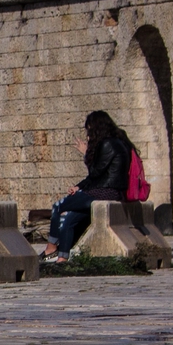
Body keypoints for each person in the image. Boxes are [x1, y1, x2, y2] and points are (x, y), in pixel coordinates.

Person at [44, 110, 132, 263]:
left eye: (89, 130)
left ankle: (50, 248)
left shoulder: (107, 144)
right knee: (69, 219)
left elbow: (95, 172)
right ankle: (62, 259)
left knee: (57, 206)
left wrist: (85, 154)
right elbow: (99, 174)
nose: (88, 136)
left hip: (102, 193)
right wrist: (79, 187)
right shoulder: (119, 142)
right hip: (109, 191)